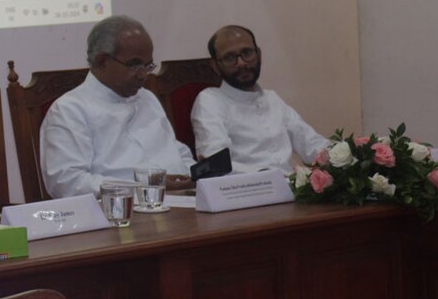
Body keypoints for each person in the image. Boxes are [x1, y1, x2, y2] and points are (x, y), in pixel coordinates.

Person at [40, 15, 195, 198]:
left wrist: (196, 173)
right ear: (102, 61)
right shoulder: (69, 110)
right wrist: (145, 186)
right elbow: (67, 183)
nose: (143, 75)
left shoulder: (147, 98)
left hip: (182, 200)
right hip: (122, 209)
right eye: (134, 65)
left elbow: (175, 151)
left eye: (148, 66)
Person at [192, 25, 329, 173]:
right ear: (215, 66)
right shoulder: (210, 101)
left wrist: (342, 157)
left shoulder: (272, 98)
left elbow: (309, 141)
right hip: (246, 186)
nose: (241, 63)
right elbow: (216, 164)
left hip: (289, 183)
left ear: (259, 55)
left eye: (247, 53)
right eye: (229, 58)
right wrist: (270, 177)